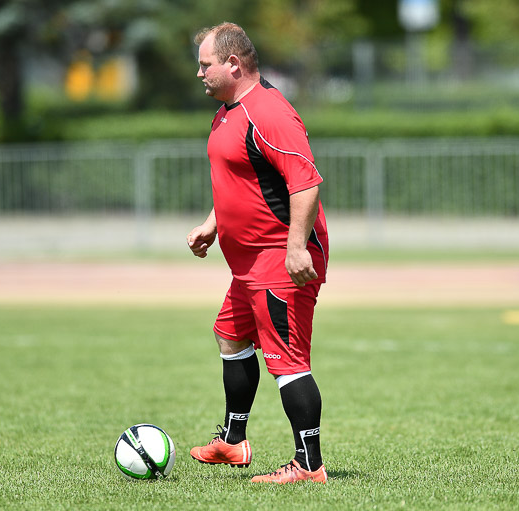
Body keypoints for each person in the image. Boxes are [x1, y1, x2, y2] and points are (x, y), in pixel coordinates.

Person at [187, 22, 329, 484]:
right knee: (230, 337)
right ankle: (233, 442)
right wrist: (212, 225)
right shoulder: (228, 111)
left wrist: (295, 249)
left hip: (279, 257)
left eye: (205, 64)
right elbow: (241, 178)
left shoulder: (269, 112)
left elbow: (305, 184)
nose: (199, 73)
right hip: (247, 262)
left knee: (287, 361)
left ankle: (308, 465)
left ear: (233, 64)